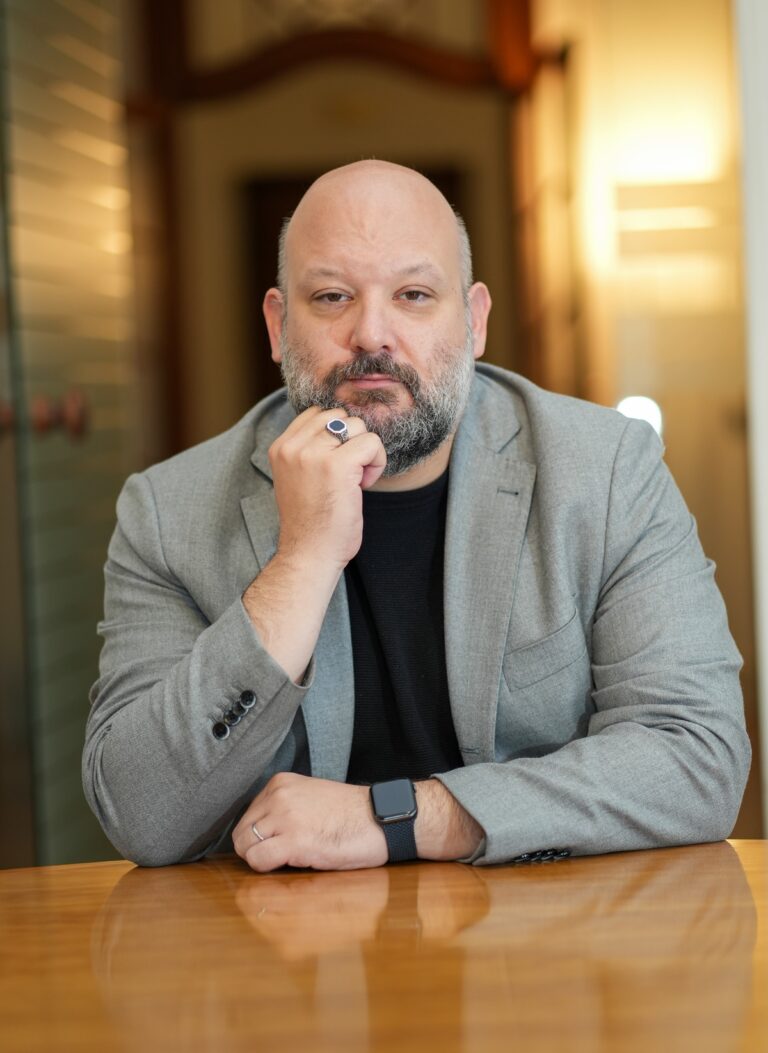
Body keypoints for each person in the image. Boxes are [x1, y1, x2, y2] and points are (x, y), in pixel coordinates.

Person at [83, 160, 750, 871]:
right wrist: (300, 562)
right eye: (333, 295)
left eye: (414, 294)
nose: (372, 334)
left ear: (474, 320)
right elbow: (140, 813)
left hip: (544, 950)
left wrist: (399, 817)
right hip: (283, 957)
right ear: (278, 325)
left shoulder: (609, 471)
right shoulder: (166, 513)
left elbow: (697, 757)